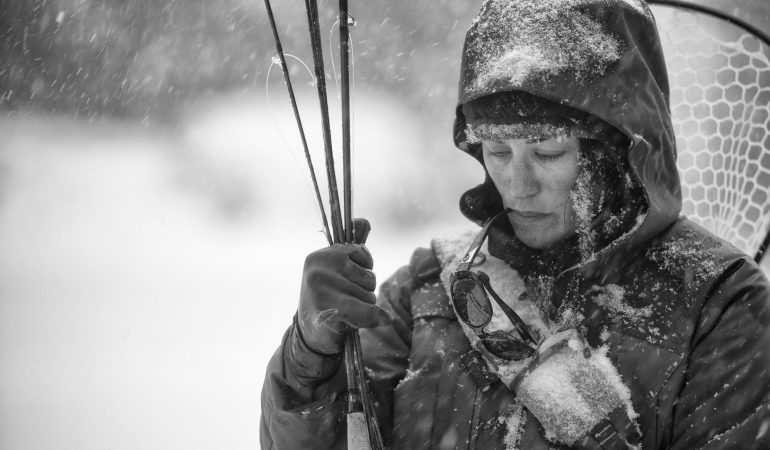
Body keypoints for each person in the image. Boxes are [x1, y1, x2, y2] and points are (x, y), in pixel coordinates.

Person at [260, 0, 770, 448]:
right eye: (498, 150)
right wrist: (311, 357)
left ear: (615, 155)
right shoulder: (427, 287)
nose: (517, 184)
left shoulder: (721, 306)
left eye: (547, 152)